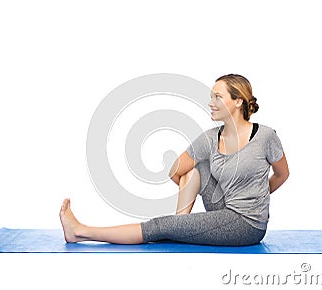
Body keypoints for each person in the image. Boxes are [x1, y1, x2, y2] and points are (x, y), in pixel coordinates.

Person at [59, 74, 290, 246]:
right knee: (196, 167)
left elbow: (282, 174)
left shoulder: (265, 136)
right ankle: (180, 225)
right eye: (211, 96)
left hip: (247, 224)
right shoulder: (210, 138)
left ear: (238, 101)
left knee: (159, 226)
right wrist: (184, 218)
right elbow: (176, 170)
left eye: (218, 97)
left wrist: (258, 196)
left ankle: (80, 232)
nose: (211, 102)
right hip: (223, 207)